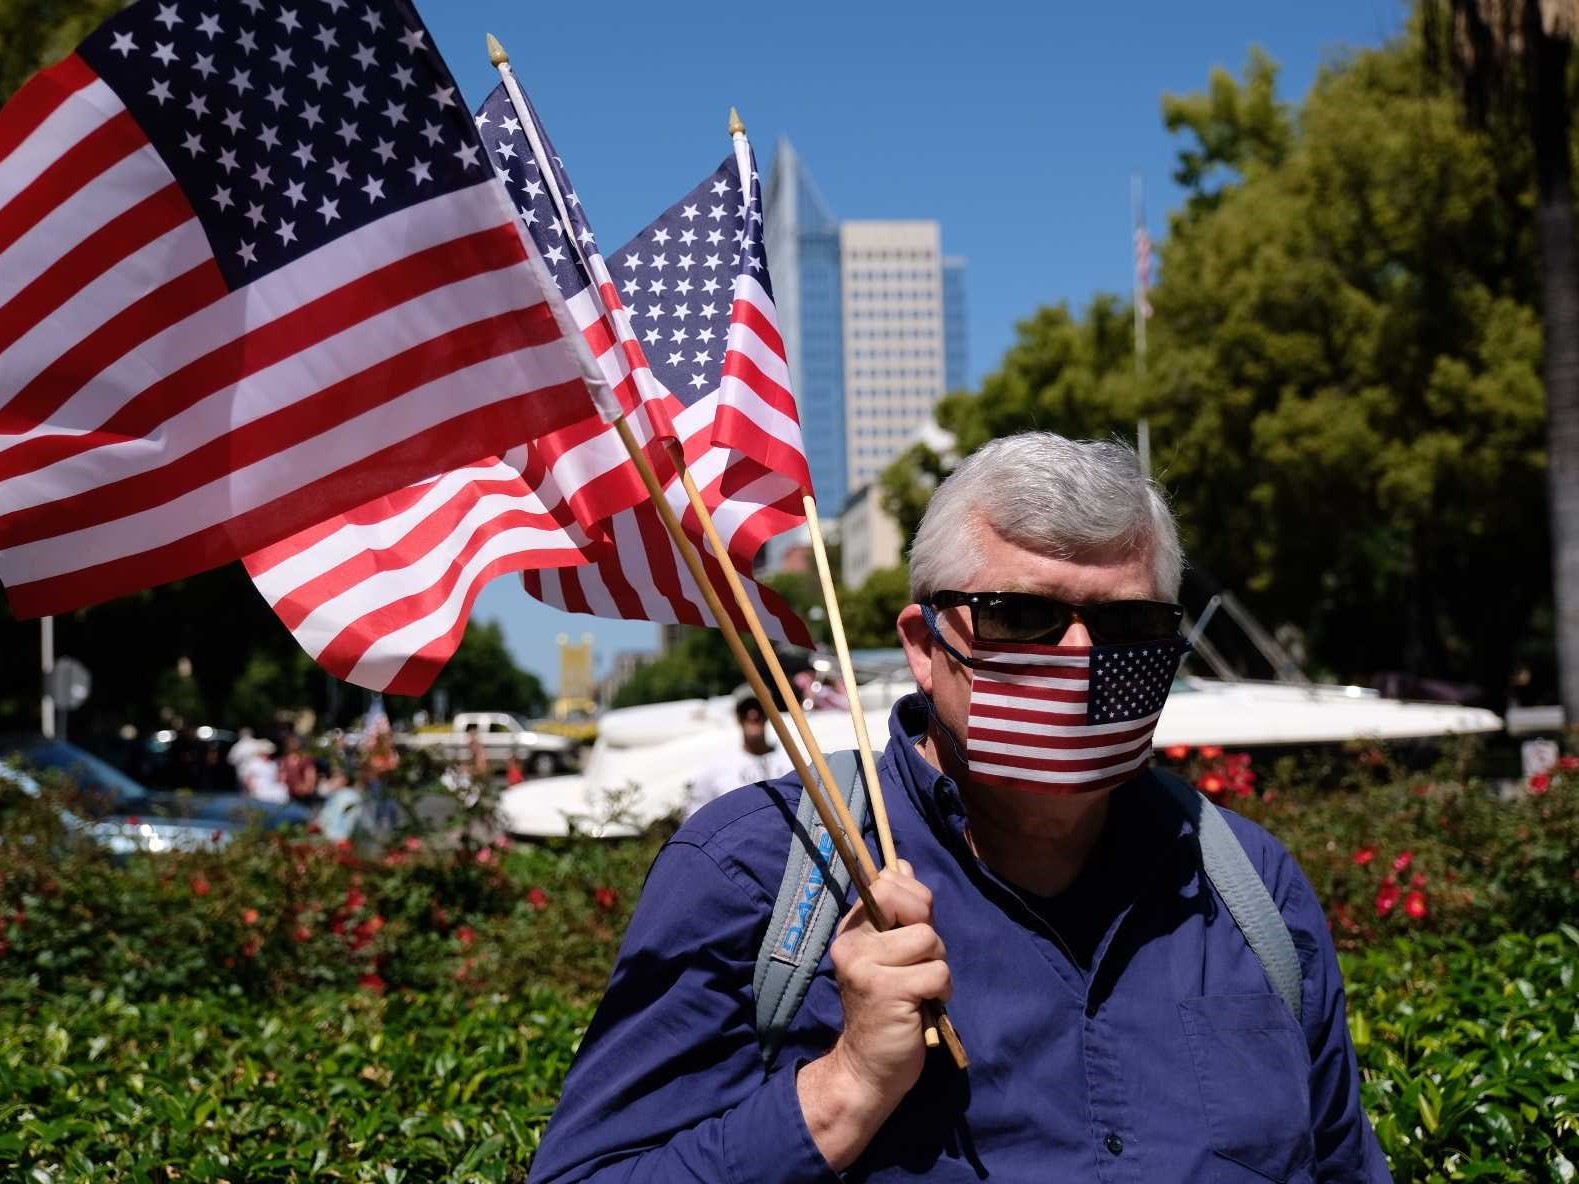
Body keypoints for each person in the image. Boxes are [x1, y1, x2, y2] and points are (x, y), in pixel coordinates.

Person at [529, 433, 1390, 1182]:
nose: (1079, 656)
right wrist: (843, 1090)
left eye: (1126, 625)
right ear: (924, 647)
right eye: (1021, 616)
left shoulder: (1248, 887)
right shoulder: (757, 867)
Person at [681, 695, 794, 820]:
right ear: (738, 717)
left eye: (758, 708)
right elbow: (694, 815)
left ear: (767, 714)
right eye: (745, 710)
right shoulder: (716, 767)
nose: (753, 715)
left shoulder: (792, 760)